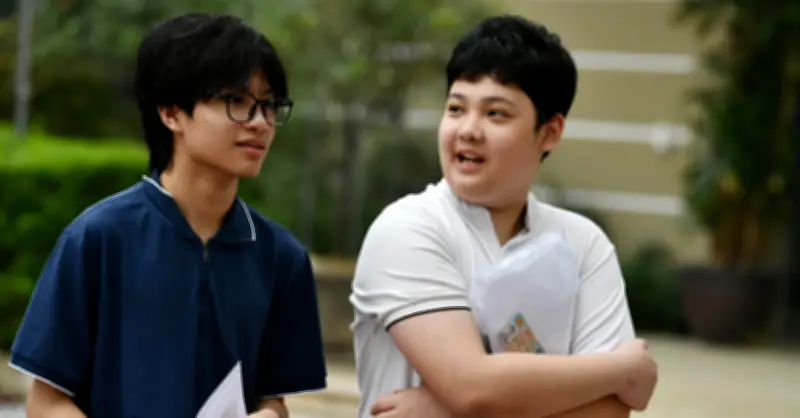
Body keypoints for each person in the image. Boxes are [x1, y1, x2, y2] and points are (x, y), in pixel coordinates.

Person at [8, 13, 326, 418]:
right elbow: (46, 403)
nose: (261, 122)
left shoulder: (282, 258)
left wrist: (268, 415)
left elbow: (273, 400)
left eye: (269, 105)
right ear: (171, 113)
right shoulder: (98, 238)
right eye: (237, 102)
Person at [350, 14, 657, 418]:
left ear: (550, 132)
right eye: (456, 108)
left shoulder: (584, 245)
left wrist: (444, 411)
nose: (468, 130)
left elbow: (608, 413)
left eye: (495, 114)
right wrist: (621, 370)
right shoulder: (408, 229)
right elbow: (471, 387)